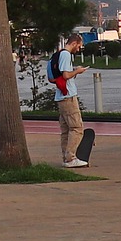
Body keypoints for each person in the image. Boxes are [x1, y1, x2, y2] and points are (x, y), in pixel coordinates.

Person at [48, 32, 89, 168]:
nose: (79, 49)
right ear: (74, 43)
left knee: (66, 130)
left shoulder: (56, 55)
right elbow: (65, 75)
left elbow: (51, 77)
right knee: (77, 128)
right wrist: (77, 71)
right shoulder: (66, 55)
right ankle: (71, 158)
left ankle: (66, 157)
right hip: (68, 96)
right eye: (78, 46)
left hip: (60, 96)